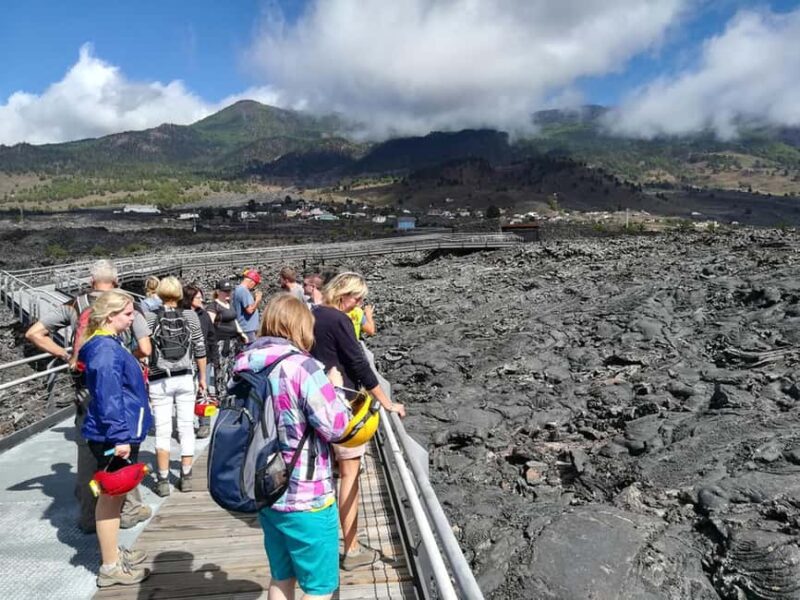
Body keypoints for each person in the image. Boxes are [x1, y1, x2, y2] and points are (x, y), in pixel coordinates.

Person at [234, 294, 349, 600]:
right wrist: (335, 386)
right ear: (299, 326)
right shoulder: (303, 367)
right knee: (319, 588)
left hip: (267, 491)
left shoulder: (245, 363)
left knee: (281, 577)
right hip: (306, 495)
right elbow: (336, 427)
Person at [24, 259, 152, 533]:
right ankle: (128, 509)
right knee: (120, 454)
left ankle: (87, 516)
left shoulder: (74, 306)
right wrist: (127, 362)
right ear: (116, 282)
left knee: (87, 452)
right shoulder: (126, 306)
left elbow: (34, 332)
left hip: (83, 389)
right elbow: (145, 346)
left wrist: (66, 354)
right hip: (116, 390)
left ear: (90, 280)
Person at [311, 272, 406, 570]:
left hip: (316, 401)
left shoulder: (313, 313)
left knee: (325, 474)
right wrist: (387, 402)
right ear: (343, 296)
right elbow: (360, 365)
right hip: (343, 406)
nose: (360, 305)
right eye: (358, 299)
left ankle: (324, 538)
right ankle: (351, 548)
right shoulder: (338, 319)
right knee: (350, 475)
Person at [78, 290, 152, 587]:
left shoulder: (106, 345)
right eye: (128, 314)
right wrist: (121, 437)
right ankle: (110, 566)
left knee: (115, 496)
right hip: (114, 435)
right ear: (110, 317)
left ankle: (113, 554)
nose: (133, 318)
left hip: (115, 431)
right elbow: (109, 396)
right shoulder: (106, 350)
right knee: (111, 498)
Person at [145, 276, 207, 496]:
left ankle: (162, 480)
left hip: (159, 378)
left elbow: (144, 348)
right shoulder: (190, 315)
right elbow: (199, 347)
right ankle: (186, 476)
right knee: (185, 428)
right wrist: (202, 378)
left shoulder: (150, 317)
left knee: (162, 430)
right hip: (184, 377)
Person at [182, 284, 217, 439]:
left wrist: (214, 358)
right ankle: (186, 424)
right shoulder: (181, 314)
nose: (201, 299)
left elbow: (211, 336)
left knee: (203, 391)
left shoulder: (203, 315)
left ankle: (204, 424)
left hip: (205, 358)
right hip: (186, 360)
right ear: (189, 298)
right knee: (187, 392)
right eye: (197, 297)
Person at [207, 279, 247, 395]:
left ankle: (232, 393)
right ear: (218, 292)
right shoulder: (213, 306)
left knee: (232, 368)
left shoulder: (229, 304)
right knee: (221, 369)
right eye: (225, 291)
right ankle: (221, 395)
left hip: (233, 340)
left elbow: (234, 320)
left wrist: (241, 333)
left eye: (229, 291)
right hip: (221, 342)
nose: (228, 293)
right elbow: (210, 324)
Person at [233, 269, 263, 343]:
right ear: (251, 282)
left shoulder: (238, 289)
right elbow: (250, 310)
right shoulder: (243, 291)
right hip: (248, 329)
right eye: (255, 284)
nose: (254, 286)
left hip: (246, 328)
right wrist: (257, 300)